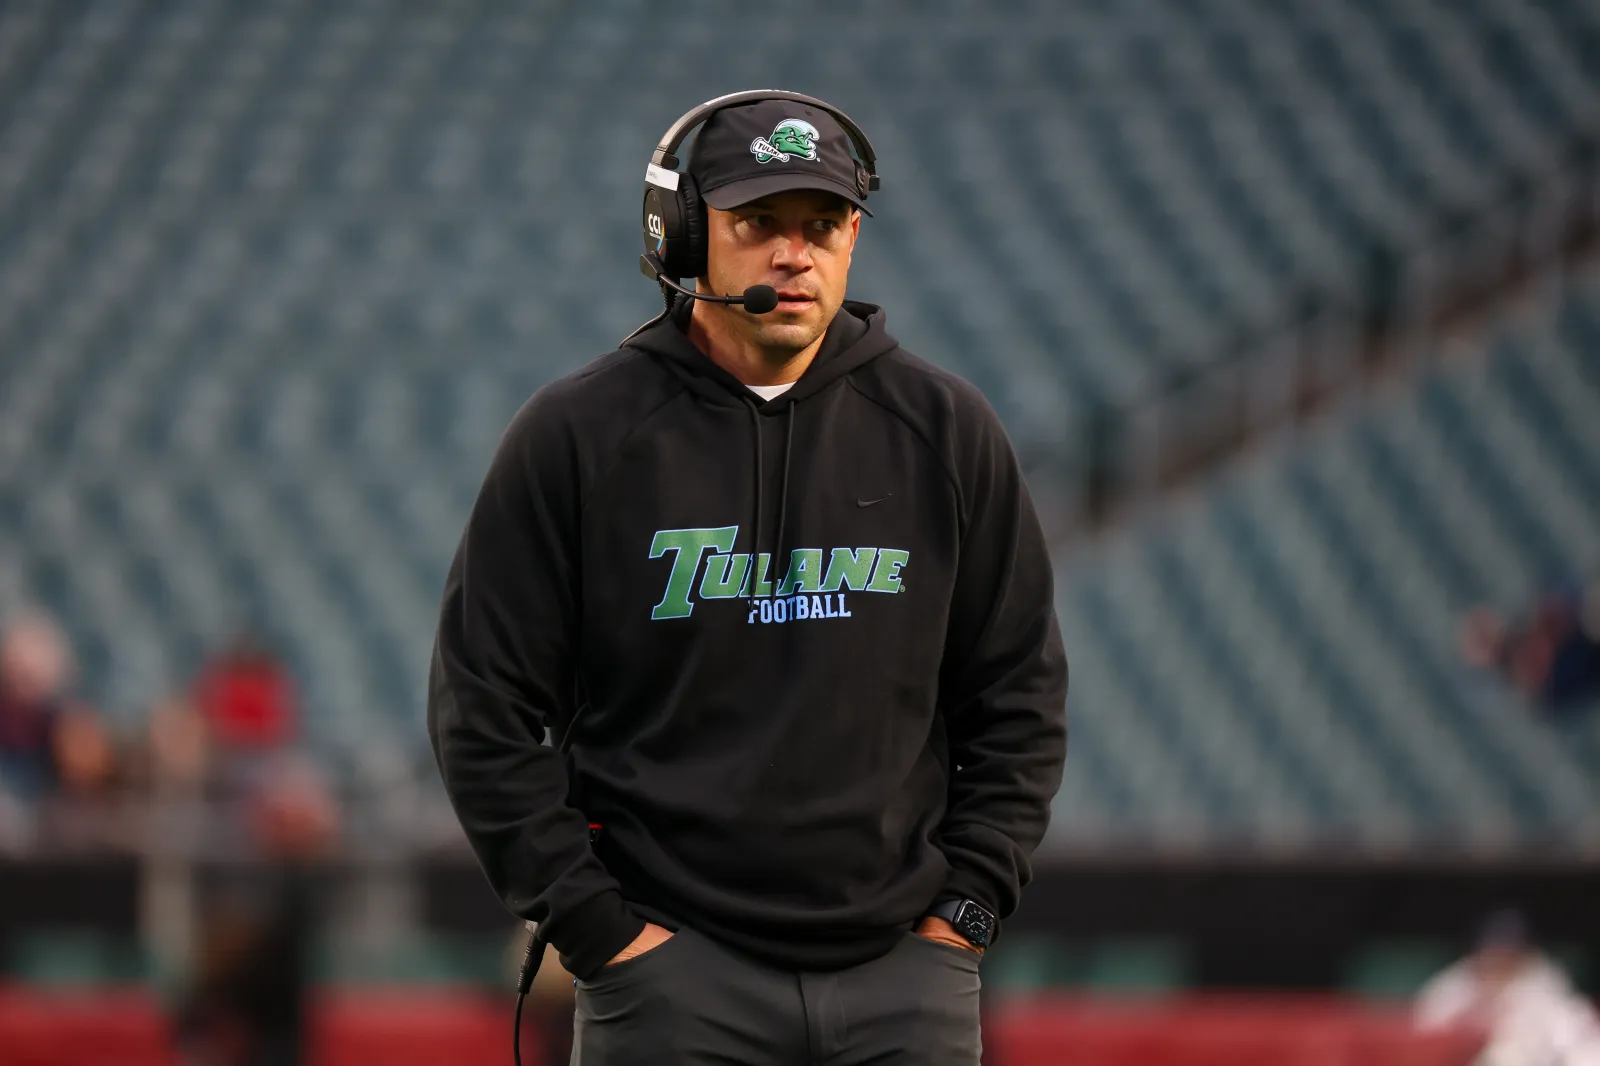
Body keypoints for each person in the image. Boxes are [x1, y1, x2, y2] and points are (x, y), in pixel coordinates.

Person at [428, 90, 1069, 1064]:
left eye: (822, 224)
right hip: (670, 990)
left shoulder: (947, 433)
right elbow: (481, 709)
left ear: (854, 235)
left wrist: (964, 918)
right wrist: (600, 934)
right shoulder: (578, 436)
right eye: (759, 222)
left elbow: (1019, 699)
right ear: (684, 234)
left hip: (904, 985)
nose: (793, 253)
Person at [1416, 910, 1600, 1065]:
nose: (1498, 958)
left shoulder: (1546, 984)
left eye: (1507, 951)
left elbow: (1574, 1045)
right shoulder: (1458, 981)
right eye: (1493, 949)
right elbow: (1424, 1026)